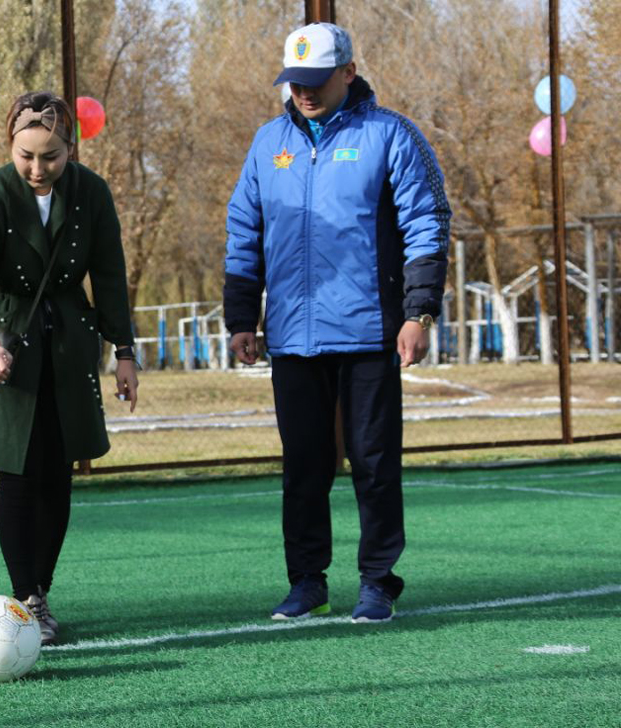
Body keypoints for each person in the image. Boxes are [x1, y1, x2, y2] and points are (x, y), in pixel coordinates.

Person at [223, 23, 451, 623]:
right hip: (293, 338)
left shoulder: (391, 134)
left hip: (371, 333)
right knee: (303, 467)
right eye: (294, 82)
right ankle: (307, 582)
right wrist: (242, 317)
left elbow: (427, 224)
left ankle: (378, 580)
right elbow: (244, 233)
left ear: (348, 73)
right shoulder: (267, 143)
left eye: (316, 81)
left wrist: (418, 313)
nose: (304, 92)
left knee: (374, 463)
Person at [0, 91, 139, 644]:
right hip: (9, 347)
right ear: (10, 146)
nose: (38, 168)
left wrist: (124, 352)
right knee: (17, 473)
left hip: (70, 346)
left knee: (57, 475)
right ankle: (22, 598)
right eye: (26, 156)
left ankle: (40, 594)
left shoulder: (92, 192)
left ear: (70, 148)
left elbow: (108, 275)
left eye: (52, 156)